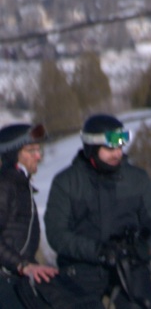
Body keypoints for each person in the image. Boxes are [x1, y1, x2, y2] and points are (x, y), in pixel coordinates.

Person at [45, 114, 151, 309]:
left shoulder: (136, 180)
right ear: (92, 149)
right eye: (110, 148)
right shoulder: (67, 183)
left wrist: (147, 248)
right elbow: (57, 234)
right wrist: (98, 251)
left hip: (130, 270)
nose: (117, 154)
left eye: (120, 147)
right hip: (81, 272)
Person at [0, 122, 66, 309]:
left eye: (38, 150)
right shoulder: (5, 185)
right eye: (31, 151)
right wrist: (22, 265)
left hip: (16, 278)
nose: (38, 156)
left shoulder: (20, 184)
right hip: (6, 281)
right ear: (13, 154)